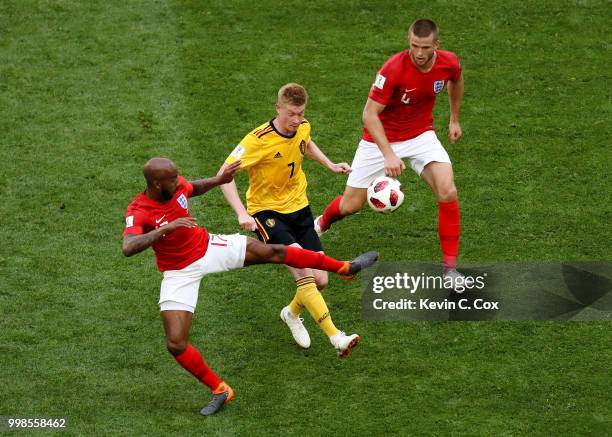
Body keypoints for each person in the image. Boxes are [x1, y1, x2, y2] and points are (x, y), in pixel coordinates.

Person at [122, 157, 377, 416]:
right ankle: (220, 389)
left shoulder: (176, 188)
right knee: (176, 343)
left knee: (276, 251)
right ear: (156, 184)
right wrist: (167, 229)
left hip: (209, 247)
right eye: (173, 179)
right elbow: (128, 247)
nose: (179, 182)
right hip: (179, 272)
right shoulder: (139, 210)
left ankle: (345, 267)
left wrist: (218, 180)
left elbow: (193, 188)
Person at [314, 19, 469, 287]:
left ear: (436, 45)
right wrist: (388, 154)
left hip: (421, 134)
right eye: (413, 46)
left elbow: (456, 80)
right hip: (379, 140)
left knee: (448, 191)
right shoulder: (394, 69)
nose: (418, 53)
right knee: (351, 205)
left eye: (424, 47)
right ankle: (322, 223)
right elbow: (369, 115)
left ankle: (450, 271)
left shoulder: (449, 62)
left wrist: (454, 118)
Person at [217, 83, 362, 357]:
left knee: (321, 280)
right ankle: (337, 337)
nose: (297, 120)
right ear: (278, 108)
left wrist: (329, 164)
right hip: (267, 214)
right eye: (291, 114)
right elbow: (224, 174)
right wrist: (241, 212)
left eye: (301, 113)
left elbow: (304, 145)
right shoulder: (256, 140)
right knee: (303, 271)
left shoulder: (303, 126)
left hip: (299, 208)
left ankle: (291, 313)